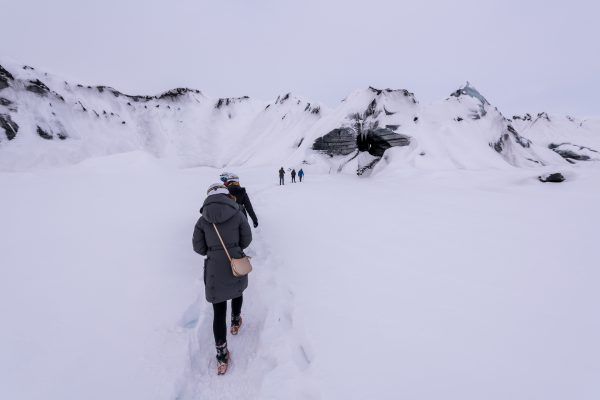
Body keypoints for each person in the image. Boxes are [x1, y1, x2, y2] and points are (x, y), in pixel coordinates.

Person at [192, 183, 252, 375]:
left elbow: (199, 248)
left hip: (214, 269)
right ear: (227, 196)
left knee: (218, 311)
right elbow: (247, 240)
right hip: (234, 261)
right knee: (237, 291)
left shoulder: (202, 220)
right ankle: (235, 321)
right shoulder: (238, 213)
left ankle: (222, 355)